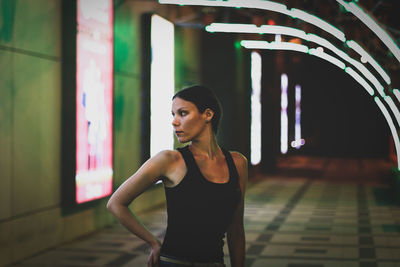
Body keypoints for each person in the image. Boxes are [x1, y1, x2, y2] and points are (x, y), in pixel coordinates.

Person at [107, 85, 247, 267]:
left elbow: (236, 229)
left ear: (208, 115)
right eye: (173, 115)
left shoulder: (237, 163)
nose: (174, 122)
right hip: (173, 262)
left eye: (182, 113)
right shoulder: (169, 160)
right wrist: (153, 242)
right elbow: (116, 204)